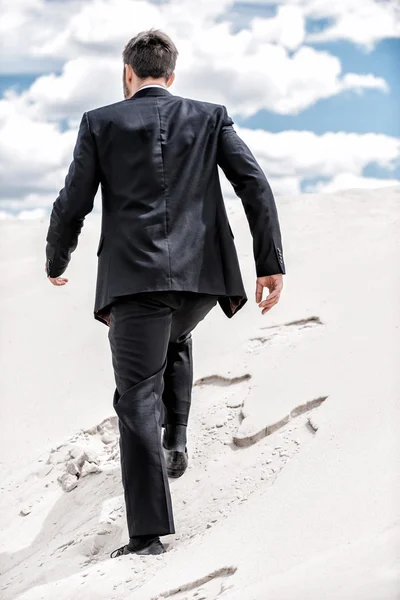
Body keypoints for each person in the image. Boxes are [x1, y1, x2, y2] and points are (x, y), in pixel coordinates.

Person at [44, 28, 286, 558]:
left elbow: (73, 202)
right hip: (202, 281)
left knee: (134, 400)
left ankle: (147, 535)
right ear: (171, 75)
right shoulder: (210, 115)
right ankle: (175, 438)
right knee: (172, 334)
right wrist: (269, 262)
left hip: (134, 281)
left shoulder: (100, 122)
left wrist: (56, 258)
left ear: (128, 73)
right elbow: (255, 183)